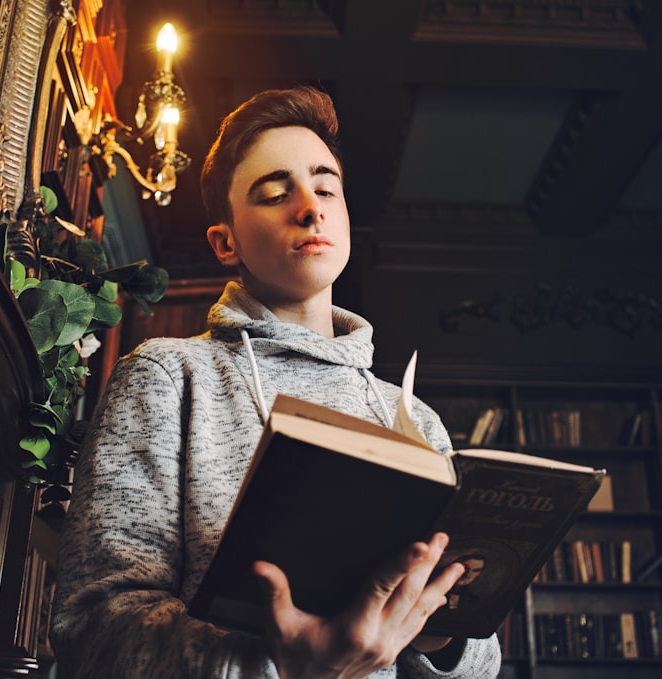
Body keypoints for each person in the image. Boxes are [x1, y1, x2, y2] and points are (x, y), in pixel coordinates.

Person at [50, 86, 502, 678]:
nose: (310, 207)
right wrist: (278, 668)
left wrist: (439, 634)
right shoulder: (167, 377)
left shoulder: (417, 420)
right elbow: (90, 627)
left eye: (326, 187)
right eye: (274, 192)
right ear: (225, 241)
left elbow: (483, 664)